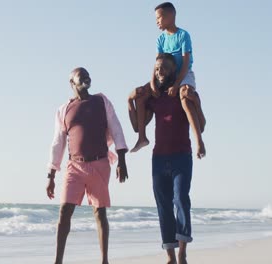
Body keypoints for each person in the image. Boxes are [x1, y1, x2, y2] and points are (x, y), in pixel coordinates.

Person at [46, 67, 128, 264]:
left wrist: (122, 160)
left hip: (99, 163)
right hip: (74, 166)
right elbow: (57, 142)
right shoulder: (64, 110)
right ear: (72, 83)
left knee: (100, 212)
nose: (85, 77)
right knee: (65, 210)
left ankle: (104, 260)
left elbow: (116, 128)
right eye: (80, 75)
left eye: (87, 75)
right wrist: (51, 175)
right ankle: (58, 261)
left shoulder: (101, 101)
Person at [129, 53, 196, 264]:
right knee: (163, 205)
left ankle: (182, 252)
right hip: (159, 158)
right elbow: (136, 126)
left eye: (164, 68)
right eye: (157, 68)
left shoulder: (183, 93)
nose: (160, 72)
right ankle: (170, 256)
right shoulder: (154, 97)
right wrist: (129, 101)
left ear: (174, 71)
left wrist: (200, 141)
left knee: (181, 200)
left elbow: (200, 123)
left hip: (182, 156)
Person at [131, 2, 206, 160]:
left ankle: (199, 140)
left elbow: (185, 62)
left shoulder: (183, 35)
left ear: (171, 16)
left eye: (159, 17)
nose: (157, 21)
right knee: (141, 95)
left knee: (185, 98)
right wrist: (152, 83)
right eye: (156, 19)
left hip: (183, 74)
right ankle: (142, 137)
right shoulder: (161, 39)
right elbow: (157, 62)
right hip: (164, 74)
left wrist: (178, 83)